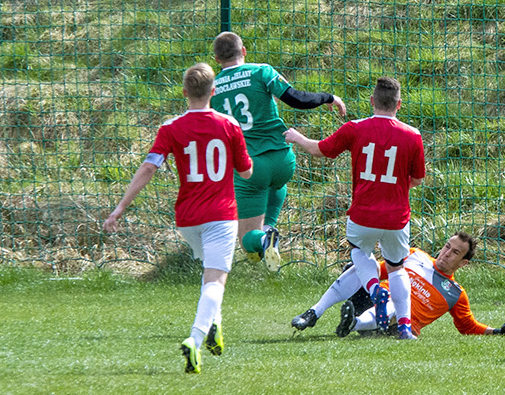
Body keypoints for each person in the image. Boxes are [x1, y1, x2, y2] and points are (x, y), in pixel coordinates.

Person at [103, 63, 253, 374]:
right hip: (221, 215)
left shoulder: (170, 128)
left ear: (184, 92)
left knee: (210, 273)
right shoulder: (229, 125)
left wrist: (119, 208)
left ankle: (215, 327)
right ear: (214, 92)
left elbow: (148, 168)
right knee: (216, 280)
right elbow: (245, 171)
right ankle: (195, 340)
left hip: (187, 218)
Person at [284, 77, 426, 340]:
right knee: (397, 268)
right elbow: (417, 179)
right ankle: (405, 327)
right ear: (399, 104)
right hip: (396, 217)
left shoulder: (355, 128)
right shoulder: (413, 135)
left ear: (372, 101)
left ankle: (374, 290)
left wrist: (297, 137)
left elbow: (320, 150)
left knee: (360, 253)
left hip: (363, 214)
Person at [210, 31, 347, 272]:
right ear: (243, 51)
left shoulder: (212, 87)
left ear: (216, 58)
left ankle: (262, 240)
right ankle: (269, 228)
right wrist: (328, 97)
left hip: (250, 166)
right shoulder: (261, 71)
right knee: (277, 183)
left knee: (245, 240)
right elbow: (296, 99)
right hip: (283, 157)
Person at [290, 232, 505, 338]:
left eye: (455, 253)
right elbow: (374, 272)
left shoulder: (455, 294)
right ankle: (314, 312)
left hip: (396, 326)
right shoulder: (415, 255)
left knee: (396, 302)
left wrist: (499, 331)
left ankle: (354, 324)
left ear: (463, 263)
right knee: (362, 264)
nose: (445, 254)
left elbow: (468, 326)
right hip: (372, 302)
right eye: (446, 247)